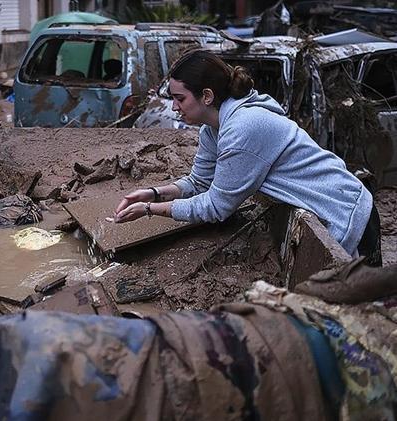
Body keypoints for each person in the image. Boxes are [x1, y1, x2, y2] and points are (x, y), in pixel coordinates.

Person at [114, 49, 381, 266]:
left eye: (179, 98)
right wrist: (154, 193)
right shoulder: (213, 130)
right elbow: (199, 182)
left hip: (346, 211)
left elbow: (216, 207)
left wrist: (150, 211)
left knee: (365, 317)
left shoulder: (243, 127)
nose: (173, 107)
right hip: (331, 206)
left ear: (206, 96)